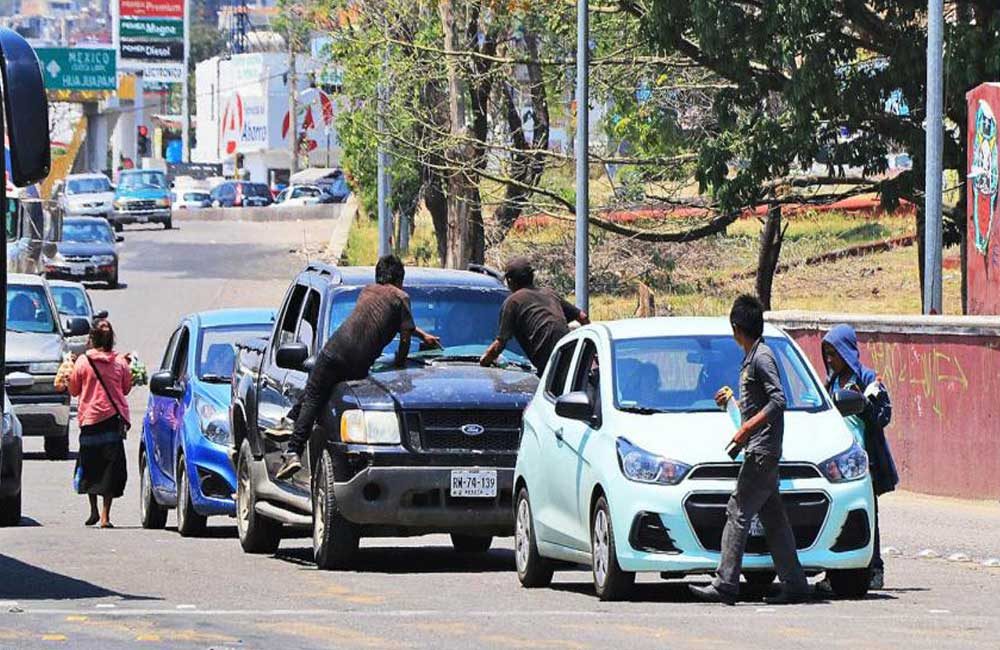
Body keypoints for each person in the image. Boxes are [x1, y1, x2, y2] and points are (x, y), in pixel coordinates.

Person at [689, 295, 810, 605]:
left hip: (761, 450)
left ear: (736, 328)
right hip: (761, 448)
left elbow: (778, 401)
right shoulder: (753, 356)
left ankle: (725, 584)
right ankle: (795, 584)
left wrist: (746, 429)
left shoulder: (762, 357)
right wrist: (734, 405)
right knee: (774, 518)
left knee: (737, 511)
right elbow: (759, 403)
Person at [275, 255, 440, 480]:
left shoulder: (368, 291)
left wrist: (420, 334)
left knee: (315, 394)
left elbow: (393, 319)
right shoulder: (402, 298)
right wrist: (400, 363)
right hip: (359, 365)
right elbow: (404, 336)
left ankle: (293, 449)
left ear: (378, 276)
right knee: (318, 392)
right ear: (400, 279)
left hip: (336, 350)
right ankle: (290, 423)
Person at [819, 324, 897, 591]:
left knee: (867, 516)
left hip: (863, 461)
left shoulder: (867, 379)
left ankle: (874, 569)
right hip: (836, 463)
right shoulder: (829, 384)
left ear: (847, 351)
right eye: (827, 354)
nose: (830, 359)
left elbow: (883, 416)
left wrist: (865, 405)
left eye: (835, 353)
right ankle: (835, 572)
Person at [55, 319, 132, 528]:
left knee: (90, 465)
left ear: (92, 338)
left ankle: (94, 511)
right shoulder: (120, 362)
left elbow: (73, 391)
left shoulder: (82, 362)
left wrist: (68, 374)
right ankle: (105, 516)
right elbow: (126, 389)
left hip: (89, 421)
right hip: (112, 421)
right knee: (110, 468)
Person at [479, 257, 590, 376]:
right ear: (532, 277)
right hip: (572, 357)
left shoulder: (513, 302)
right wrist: (590, 350)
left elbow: (500, 344)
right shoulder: (549, 294)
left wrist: (484, 361)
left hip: (550, 366)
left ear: (510, 281)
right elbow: (582, 317)